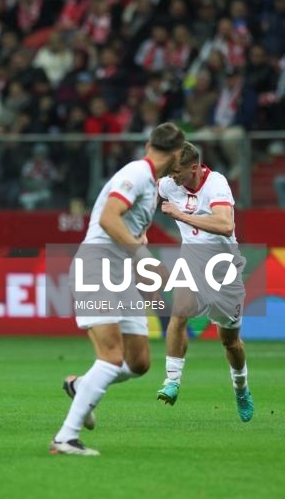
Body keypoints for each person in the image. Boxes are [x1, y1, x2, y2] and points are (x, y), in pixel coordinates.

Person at [50, 122, 185, 456]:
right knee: (110, 357)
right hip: (96, 267)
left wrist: (145, 276)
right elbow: (110, 218)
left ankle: (82, 385)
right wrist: (144, 256)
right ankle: (66, 438)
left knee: (138, 362)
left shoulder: (150, 184)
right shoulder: (138, 173)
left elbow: (128, 235)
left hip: (119, 273)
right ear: (177, 153)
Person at [156, 142, 253, 421]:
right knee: (179, 315)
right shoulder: (170, 182)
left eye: (178, 172)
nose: (173, 178)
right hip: (193, 262)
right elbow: (147, 187)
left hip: (223, 270)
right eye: (170, 173)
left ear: (195, 168)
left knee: (230, 342)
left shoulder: (217, 185)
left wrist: (181, 215)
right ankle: (172, 381)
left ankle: (241, 388)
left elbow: (225, 226)